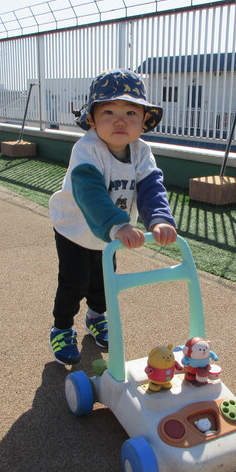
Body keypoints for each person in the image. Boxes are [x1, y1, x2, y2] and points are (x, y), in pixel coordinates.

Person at [48, 68, 178, 365]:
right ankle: (62, 327)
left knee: (105, 279)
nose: (120, 121)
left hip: (110, 231)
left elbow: (151, 188)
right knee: (74, 282)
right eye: (108, 112)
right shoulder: (87, 150)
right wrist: (118, 225)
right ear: (92, 120)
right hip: (75, 228)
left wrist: (159, 219)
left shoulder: (141, 151)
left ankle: (96, 316)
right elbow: (90, 194)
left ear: (144, 120)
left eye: (131, 112)